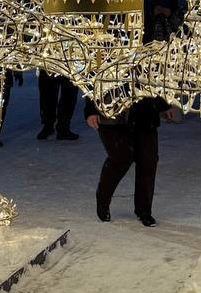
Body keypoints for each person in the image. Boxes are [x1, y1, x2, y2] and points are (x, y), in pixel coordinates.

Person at [84, 94, 180, 226]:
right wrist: (91, 110)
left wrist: (165, 104)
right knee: (121, 157)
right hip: (112, 111)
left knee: (148, 160)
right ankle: (103, 197)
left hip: (145, 112)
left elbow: (157, 82)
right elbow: (91, 83)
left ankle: (144, 210)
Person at [36, 69, 80, 140]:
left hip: (68, 66)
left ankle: (62, 127)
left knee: (68, 95)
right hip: (50, 65)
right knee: (48, 94)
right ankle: (50, 126)